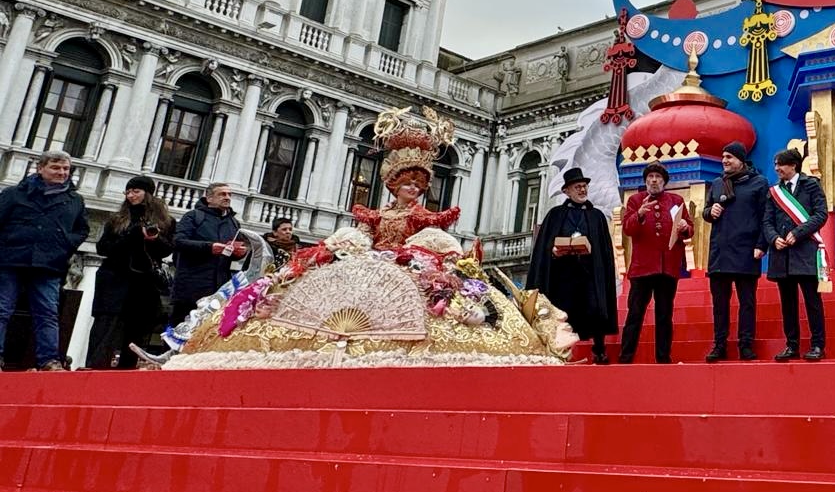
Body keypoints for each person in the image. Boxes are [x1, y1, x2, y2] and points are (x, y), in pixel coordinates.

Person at [160, 106, 572, 369]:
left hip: (409, 272)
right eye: (408, 184)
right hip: (367, 270)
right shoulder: (373, 214)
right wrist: (345, 246)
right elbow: (360, 236)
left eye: (419, 184)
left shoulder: (426, 218)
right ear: (393, 184)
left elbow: (436, 242)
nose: (415, 190)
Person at [0, 150, 89, 371]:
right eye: (56, 167)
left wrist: (65, 244)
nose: (62, 172)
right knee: (2, 309)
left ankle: (49, 361)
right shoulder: (14, 194)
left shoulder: (75, 200)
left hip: (49, 264)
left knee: (47, 313)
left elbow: (82, 230)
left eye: (66, 169)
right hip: (11, 260)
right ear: (40, 168)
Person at [527, 167, 618, 363]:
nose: (582, 190)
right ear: (566, 191)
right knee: (561, 313)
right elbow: (545, 245)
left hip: (589, 274)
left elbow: (604, 251)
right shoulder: (555, 215)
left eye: (584, 186)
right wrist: (554, 251)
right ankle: (559, 351)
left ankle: (599, 350)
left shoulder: (597, 216)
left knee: (595, 308)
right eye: (578, 187)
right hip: (563, 276)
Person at [85, 176, 175, 370]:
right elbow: (103, 248)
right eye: (128, 191)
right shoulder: (118, 219)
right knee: (106, 327)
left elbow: (167, 249)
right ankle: (95, 367)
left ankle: (126, 369)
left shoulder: (166, 221)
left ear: (147, 194)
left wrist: (154, 239)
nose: (131, 195)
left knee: (137, 329)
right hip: (115, 278)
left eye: (136, 191)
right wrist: (132, 235)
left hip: (144, 282)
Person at [619, 162, 690, 364]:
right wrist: (639, 214)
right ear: (645, 181)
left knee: (664, 315)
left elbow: (688, 228)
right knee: (635, 314)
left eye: (658, 177)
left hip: (667, 267)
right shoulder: (635, 200)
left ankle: (663, 357)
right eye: (650, 177)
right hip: (642, 268)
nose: (654, 180)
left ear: (664, 181)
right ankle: (626, 357)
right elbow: (628, 229)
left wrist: (685, 226)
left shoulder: (676, 200)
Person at [702, 141, 767, 362]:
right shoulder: (718, 183)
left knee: (747, 303)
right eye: (723, 157)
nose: (725, 161)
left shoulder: (759, 183)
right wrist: (711, 211)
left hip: (747, 251)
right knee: (720, 304)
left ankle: (746, 345)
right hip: (720, 252)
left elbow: (765, 217)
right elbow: (705, 212)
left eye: (729, 157)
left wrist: (761, 245)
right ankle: (719, 345)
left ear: (740, 160)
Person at [762, 147, 829, 361]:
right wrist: (773, 238)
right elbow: (767, 221)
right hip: (782, 255)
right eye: (775, 165)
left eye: (781, 164)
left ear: (793, 165)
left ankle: (817, 345)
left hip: (805, 252)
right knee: (787, 304)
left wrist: (798, 233)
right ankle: (792, 346)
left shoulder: (811, 185)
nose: (777, 169)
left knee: (812, 302)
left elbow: (820, 214)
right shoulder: (774, 193)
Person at [170, 182, 247, 326]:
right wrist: (209, 247)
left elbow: (235, 247)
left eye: (229, 194)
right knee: (181, 325)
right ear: (209, 198)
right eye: (222, 194)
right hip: (191, 286)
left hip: (219, 288)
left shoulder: (234, 223)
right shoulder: (193, 216)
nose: (227, 197)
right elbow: (178, 241)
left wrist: (239, 253)